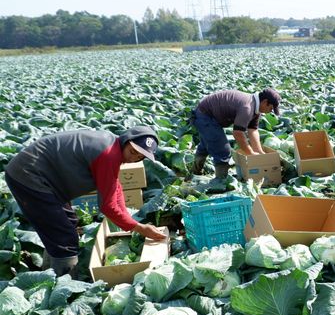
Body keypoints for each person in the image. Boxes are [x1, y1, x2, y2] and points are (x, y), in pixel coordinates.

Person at [4, 126, 168, 279]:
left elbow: (114, 188)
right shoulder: (109, 154)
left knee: (66, 223)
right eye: (133, 152)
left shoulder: (111, 145)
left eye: (140, 157)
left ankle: (50, 273)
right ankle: (64, 284)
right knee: (64, 236)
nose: (134, 158)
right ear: (126, 141)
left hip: (42, 178)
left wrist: (130, 220)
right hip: (29, 176)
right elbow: (108, 206)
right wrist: (138, 228)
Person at [190, 89, 281, 179]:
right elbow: (238, 133)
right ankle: (220, 182)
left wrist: (260, 152)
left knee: (207, 144)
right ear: (265, 102)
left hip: (209, 114)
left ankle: (194, 173)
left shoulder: (255, 107)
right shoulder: (247, 107)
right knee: (223, 151)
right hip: (205, 115)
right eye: (271, 108)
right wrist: (251, 153)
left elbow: (253, 130)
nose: (270, 111)